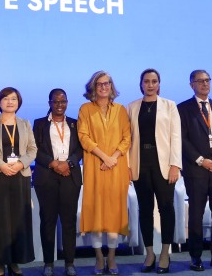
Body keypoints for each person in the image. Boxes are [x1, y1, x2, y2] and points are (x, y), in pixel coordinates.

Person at [176, 70, 212, 272]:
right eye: (200, 81)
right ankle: (196, 257)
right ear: (192, 84)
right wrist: (202, 161)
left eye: (207, 80)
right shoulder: (182, 109)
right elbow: (182, 140)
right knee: (196, 215)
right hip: (197, 170)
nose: (204, 84)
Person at [127, 69, 181, 274]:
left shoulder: (169, 105)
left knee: (166, 208)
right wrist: (128, 167)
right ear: (141, 84)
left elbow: (176, 136)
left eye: (154, 81)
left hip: (165, 165)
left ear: (159, 84)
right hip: (141, 164)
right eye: (146, 81)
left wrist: (175, 164)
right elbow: (128, 139)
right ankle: (149, 253)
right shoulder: (132, 107)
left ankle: (165, 252)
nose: (150, 85)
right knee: (144, 209)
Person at [77, 71, 131, 276]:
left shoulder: (121, 110)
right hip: (95, 167)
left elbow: (127, 138)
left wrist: (114, 158)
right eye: (99, 84)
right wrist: (104, 157)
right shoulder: (85, 109)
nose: (103, 87)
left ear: (111, 86)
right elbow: (83, 137)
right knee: (97, 213)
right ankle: (99, 257)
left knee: (115, 214)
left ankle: (112, 257)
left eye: (106, 83)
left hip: (116, 168)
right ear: (93, 87)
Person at [0, 87, 36, 276]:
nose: (10, 102)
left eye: (13, 99)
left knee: (19, 219)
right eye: (6, 98)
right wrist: (2, 165)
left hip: (20, 176)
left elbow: (32, 149)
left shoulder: (25, 124)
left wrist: (20, 164)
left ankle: (15, 261)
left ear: (18, 102)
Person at [33, 89, 83, 276]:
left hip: (70, 175)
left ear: (67, 102)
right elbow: (34, 150)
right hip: (47, 176)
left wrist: (68, 163)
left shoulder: (75, 124)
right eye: (56, 102)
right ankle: (48, 263)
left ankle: (70, 263)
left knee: (69, 221)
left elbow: (80, 149)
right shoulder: (39, 124)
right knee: (48, 221)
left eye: (63, 101)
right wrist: (54, 164)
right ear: (50, 103)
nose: (59, 105)